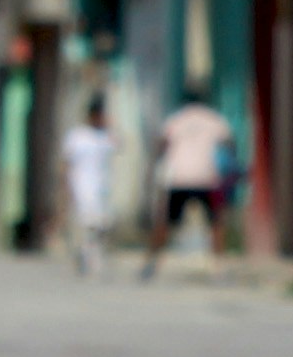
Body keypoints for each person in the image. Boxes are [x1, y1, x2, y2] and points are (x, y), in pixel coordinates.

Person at [144, 94, 238, 278]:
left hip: (179, 177)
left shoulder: (176, 119)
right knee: (216, 222)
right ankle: (219, 266)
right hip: (206, 177)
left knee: (165, 222)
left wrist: (155, 170)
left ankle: (152, 263)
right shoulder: (214, 119)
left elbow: (161, 144)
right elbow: (230, 144)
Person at [57, 98, 121, 278]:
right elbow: (66, 161)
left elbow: (120, 145)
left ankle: (87, 253)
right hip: (82, 187)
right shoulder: (77, 136)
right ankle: (87, 256)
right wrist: (65, 187)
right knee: (88, 224)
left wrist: (110, 127)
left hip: (103, 188)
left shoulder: (105, 136)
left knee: (102, 224)